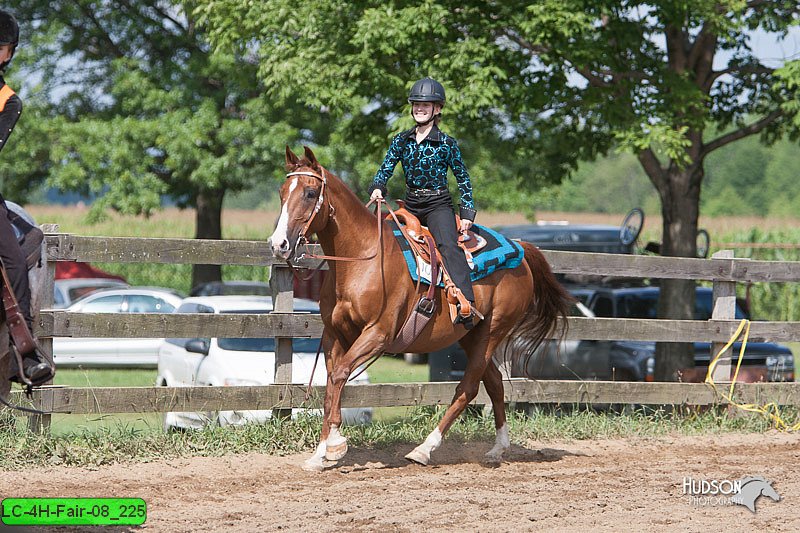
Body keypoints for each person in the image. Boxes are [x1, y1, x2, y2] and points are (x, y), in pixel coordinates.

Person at [368, 77, 477, 328]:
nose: (420, 108)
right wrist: (377, 187)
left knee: (448, 246)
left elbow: (463, 178)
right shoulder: (401, 140)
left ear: (437, 109)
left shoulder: (447, 144)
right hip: (410, 204)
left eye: (425, 105)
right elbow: (385, 169)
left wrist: (467, 213)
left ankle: (467, 303)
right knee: (383, 239)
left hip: (438, 205)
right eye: (416, 104)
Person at [0, 8, 52, 383]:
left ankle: (25, 350)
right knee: (15, 262)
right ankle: (26, 352)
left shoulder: (7, 100)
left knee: (16, 260)